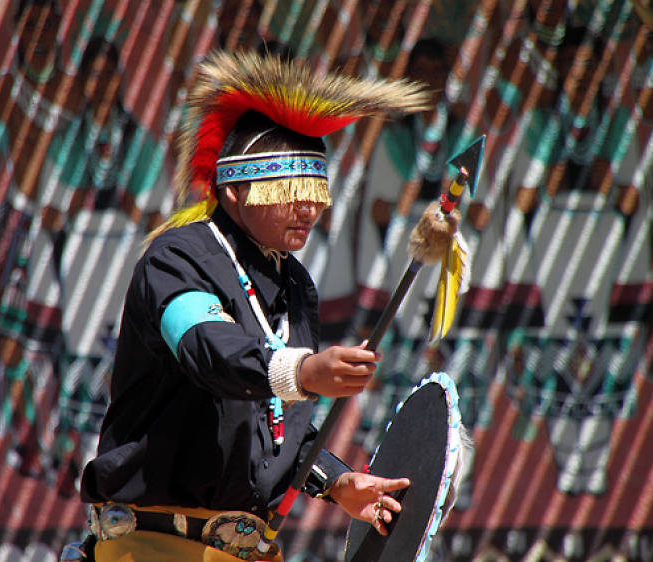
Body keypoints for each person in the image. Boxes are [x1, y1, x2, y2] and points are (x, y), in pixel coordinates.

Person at [75, 50, 430, 561]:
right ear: (235, 189)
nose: (308, 208)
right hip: (154, 547)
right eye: (290, 190)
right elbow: (209, 350)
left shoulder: (294, 284)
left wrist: (337, 480)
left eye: (315, 191)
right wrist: (305, 370)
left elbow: (274, 424)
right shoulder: (176, 258)